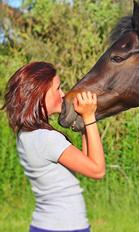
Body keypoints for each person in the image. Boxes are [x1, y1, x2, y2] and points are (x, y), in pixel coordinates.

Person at [2, 61, 105, 232]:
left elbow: (86, 164)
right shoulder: (46, 139)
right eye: (58, 88)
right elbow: (97, 170)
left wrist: (82, 123)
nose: (63, 94)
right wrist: (89, 117)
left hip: (49, 225)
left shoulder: (27, 135)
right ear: (40, 94)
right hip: (65, 227)